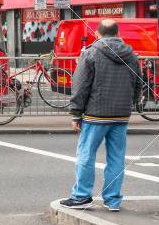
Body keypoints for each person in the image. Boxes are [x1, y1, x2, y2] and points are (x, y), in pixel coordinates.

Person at [60, 19, 142, 212]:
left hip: (96, 114)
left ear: (97, 33)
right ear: (117, 33)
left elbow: (80, 85)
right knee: (116, 158)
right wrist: (132, 103)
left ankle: (82, 197)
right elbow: (138, 83)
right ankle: (113, 200)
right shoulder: (130, 55)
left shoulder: (91, 53)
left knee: (86, 155)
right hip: (121, 115)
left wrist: (76, 114)